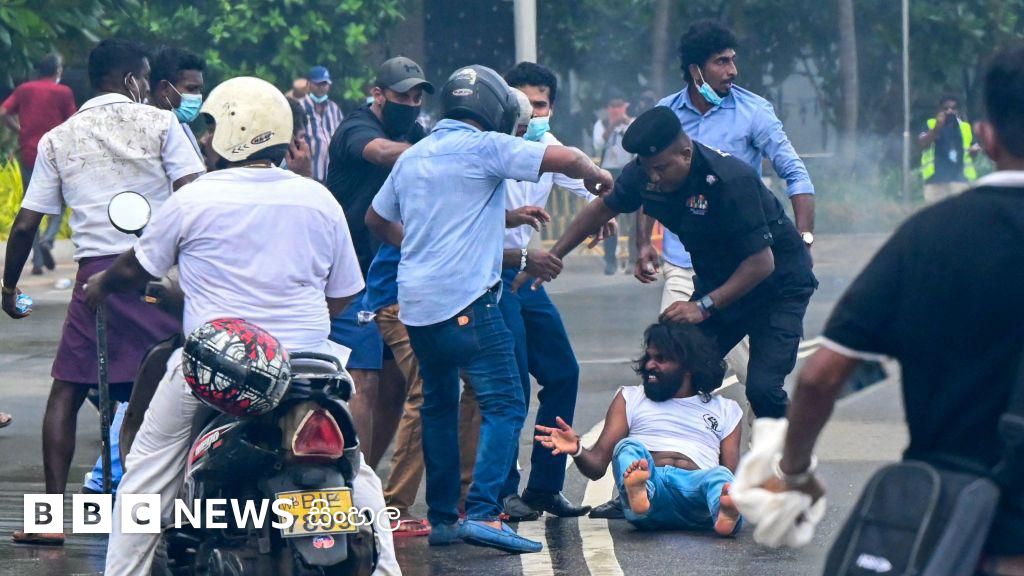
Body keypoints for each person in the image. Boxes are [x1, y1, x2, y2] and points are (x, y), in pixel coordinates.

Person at [84, 76, 400, 576]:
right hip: (310, 369)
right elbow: (343, 293)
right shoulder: (319, 199)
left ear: (235, 132)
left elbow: (136, 268)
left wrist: (101, 285)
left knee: (146, 474)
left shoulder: (195, 198)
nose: (207, 139)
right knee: (357, 473)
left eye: (212, 128)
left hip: (218, 367)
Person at [759, 45, 1024, 573]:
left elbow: (822, 376)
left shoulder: (929, 235)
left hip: (963, 525)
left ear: (987, 136)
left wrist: (794, 470)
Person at [366, 64, 612, 553]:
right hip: (467, 301)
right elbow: (566, 158)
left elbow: (376, 218)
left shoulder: (415, 156)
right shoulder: (486, 147)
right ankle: (483, 511)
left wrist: (419, 245)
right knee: (506, 402)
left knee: (439, 405)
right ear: (493, 108)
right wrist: (599, 175)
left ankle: (443, 520)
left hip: (417, 306)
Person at [1, 39, 205, 546]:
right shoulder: (162, 125)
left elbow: (25, 224)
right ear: (133, 79)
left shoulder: (59, 139)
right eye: (144, 78)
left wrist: (8, 286)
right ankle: (175, 509)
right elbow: (197, 196)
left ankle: (48, 520)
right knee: (183, 384)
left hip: (96, 281)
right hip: (157, 273)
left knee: (66, 392)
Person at [538, 106, 816, 430]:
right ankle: (695, 451)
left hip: (777, 287)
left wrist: (702, 306)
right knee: (681, 372)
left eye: (661, 168)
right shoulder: (646, 172)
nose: (654, 177)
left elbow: (761, 263)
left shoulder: (730, 179)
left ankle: (791, 451)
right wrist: (553, 257)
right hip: (720, 280)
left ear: (686, 154)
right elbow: (602, 209)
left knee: (762, 388)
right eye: (648, 169)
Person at [497, 62, 601, 521]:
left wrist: (602, 211)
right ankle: (499, 491)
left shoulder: (549, 146)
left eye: (539, 105)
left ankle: (544, 488)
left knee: (563, 372)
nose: (531, 114)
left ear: (551, 108)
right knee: (512, 385)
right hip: (489, 273)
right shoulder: (491, 144)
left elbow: (593, 185)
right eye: (522, 104)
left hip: (525, 273)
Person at [324, 56, 434, 464]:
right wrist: (438, 152)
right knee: (363, 379)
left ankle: (367, 470)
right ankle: (350, 477)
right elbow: (382, 152)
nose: (411, 104)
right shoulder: (356, 127)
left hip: (390, 272)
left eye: (417, 97)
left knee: (396, 382)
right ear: (378, 94)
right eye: (402, 96)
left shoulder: (416, 133)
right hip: (349, 270)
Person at [536, 322, 743, 535]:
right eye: (649, 357)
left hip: (696, 491)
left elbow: (730, 474)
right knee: (628, 447)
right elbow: (596, 467)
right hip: (650, 490)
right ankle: (639, 492)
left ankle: (725, 514)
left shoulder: (725, 409)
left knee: (721, 477)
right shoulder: (631, 398)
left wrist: (729, 491)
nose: (650, 365)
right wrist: (577, 450)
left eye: (661, 359)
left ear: (688, 367)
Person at [0, 52, 77, 276]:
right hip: (56, 155)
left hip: (30, 154)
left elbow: (3, 112)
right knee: (61, 202)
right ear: (58, 70)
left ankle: (37, 261)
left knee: (32, 207)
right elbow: (73, 122)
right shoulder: (63, 92)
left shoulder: (24, 89)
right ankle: (48, 239)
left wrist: (20, 130)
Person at [592, 93, 635, 275]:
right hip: (609, 174)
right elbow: (598, 145)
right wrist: (612, 126)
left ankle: (634, 259)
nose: (616, 110)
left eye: (619, 106)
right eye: (613, 106)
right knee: (609, 217)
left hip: (630, 171)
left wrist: (625, 124)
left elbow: (637, 144)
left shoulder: (633, 123)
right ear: (608, 109)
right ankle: (610, 260)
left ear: (625, 107)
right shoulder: (601, 124)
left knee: (634, 218)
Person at [918, 94, 982, 203]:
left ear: (957, 110)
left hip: (959, 180)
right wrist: (936, 128)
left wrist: (974, 151)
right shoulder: (930, 124)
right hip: (936, 180)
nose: (950, 111)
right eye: (946, 108)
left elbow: (972, 151)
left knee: (960, 212)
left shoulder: (965, 127)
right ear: (940, 110)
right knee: (937, 213)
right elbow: (922, 143)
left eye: (953, 108)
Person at [148, 46, 205, 157]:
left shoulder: (180, 125)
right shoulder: (144, 128)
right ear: (164, 88)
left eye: (199, 89)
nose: (197, 96)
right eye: (191, 89)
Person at [300, 65, 343, 182]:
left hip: (330, 176)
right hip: (306, 175)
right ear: (309, 84)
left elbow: (341, 137)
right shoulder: (300, 107)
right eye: (318, 84)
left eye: (325, 84)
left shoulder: (334, 109)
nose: (322, 87)